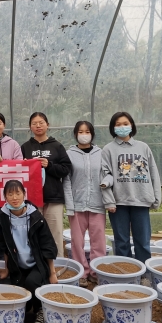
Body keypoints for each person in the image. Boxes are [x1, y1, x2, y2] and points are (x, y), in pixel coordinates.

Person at [0, 180, 58, 323]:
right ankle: (29, 311)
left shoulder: (35, 216)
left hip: (37, 263)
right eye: (10, 194)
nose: (14, 197)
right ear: (5, 196)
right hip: (17, 265)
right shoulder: (0, 218)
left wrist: (52, 272)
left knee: (32, 282)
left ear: (24, 194)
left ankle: (41, 309)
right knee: (23, 297)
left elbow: (47, 244)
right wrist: (7, 268)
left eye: (18, 193)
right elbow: (4, 246)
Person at [100, 112, 162, 263]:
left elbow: (153, 172)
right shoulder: (108, 149)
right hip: (119, 203)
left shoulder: (143, 147)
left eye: (125, 124)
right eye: (118, 124)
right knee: (121, 242)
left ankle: (144, 271)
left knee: (143, 241)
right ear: (113, 128)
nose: (122, 127)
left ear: (132, 125)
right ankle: (126, 271)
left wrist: (156, 197)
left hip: (141, 200)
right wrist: (109, 201)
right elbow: (104, 175)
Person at [20, 112, 71, 257]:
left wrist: (49, 165)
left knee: (55, 232)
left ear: (47, 125)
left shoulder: (57, 146)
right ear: (30, 127)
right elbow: (18, 170)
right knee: (34, 232)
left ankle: (58, 262)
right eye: (34, 123)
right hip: (32, 199)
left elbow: (66, 169)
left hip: (54, 197)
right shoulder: (25, 147)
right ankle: (36, 262)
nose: (38, 126)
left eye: (41, 122)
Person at [63, 121, 106, 286]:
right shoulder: (69, 154)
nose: (84, 134)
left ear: (92, 134)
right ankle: (82, 272)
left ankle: (96, 271)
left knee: (99, 241)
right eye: (80, 132)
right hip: (77, 204)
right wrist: (70, 204)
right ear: (76, 134)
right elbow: (66, 180)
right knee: (77, 242)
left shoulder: (101, 153)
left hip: (97, 203)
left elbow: (107, 174)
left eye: (87, 131)